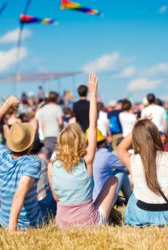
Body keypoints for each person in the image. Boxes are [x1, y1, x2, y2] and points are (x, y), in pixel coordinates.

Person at [49, 72, 118, 229]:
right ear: (80, 141)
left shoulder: (51, 165)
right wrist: (92, 94)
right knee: (113, 180)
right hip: (89, 222)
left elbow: (56, 197)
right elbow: (92, 125)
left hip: (62, 224)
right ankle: (109, 215)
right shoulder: (87, 159)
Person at [118, 97, 168, 227]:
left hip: (142, 214)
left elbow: (120, 148)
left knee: (132, 198)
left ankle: (135, 223)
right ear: (156, 136)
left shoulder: (132, 160)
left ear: (136, 139)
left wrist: (137, 127)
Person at [0, 96, 48, 233]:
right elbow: (19, 194)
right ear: (30, 144)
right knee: (52, 200)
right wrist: (12, 229)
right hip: (30, 223)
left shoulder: (1, 155)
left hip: (4, 220)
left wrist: (7, 104)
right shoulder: (33, 162)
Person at [88, 129, 131, 203]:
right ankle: (130, 199)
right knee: (121, 171)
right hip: (103, 201)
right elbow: (127, 166)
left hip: (89, 200)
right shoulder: (104, 155)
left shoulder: (84, 156)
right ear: (102, 142)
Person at [36, 91, 64, 159]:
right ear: (56, 98)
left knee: (48, 158)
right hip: (57, 135)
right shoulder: (58, 108)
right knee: (58, 157)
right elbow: (61, 122)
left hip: (47, 136)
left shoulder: (43, 109)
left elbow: (42, 125)